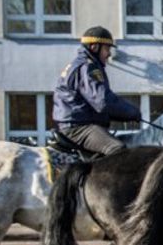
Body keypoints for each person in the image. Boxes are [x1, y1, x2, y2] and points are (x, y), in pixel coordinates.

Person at [52, 26, 142, 156]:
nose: (109, 53)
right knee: (118, 150)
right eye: (106, 48)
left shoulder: (82, 64)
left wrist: (125, 115)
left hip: (78, 123)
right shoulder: (88, 67)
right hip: (79, 128)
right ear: (94, 47)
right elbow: (102, 101)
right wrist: (132, 112)